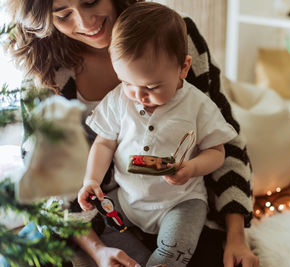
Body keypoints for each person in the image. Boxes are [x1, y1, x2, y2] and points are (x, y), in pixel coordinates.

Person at [6, 0, 259, 266]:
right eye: (63, 15)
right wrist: (97, 250)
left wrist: (236, 236)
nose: (85, 23)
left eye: (91, 1)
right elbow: (47, 176)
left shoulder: (171, 30)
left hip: (178, 202)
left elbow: (224, 142)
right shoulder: (43, 69)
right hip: (98, 213)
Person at [78, 3, 238, 267]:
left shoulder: (197, 105)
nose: (139, 96)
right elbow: (104, 143)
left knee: (178, 245)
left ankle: (161, 260)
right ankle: (138, 261)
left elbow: (218, 152)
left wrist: (192, 167)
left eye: (151, 86)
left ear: (183, 68)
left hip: (181, 202)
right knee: (102, 224)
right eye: (128, 83)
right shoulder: (119, 100)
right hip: (128, 199)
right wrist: (91, 180)